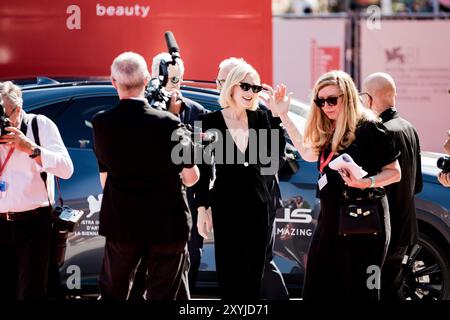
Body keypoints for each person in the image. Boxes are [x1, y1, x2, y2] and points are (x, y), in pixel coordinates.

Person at [267, 70, 401, 300]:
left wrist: (365, 182)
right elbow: (308, 153)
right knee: (318, 289)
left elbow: (394, 173)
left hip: (364, 223)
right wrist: (284, 116)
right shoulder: (329, 129)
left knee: (358, 294)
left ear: (347, 97)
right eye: (320, 101)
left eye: (332, 100)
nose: (326, 106)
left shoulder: (369, 128)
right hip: (329, 221)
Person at [92, 52, 199, 300]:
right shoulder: (170, 123)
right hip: (167, 225)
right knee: (163, 295)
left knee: (113, 292)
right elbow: (191, 177)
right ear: (147, 78)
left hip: (122, 224)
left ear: (113, 82)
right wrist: (175, 119)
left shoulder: (102, 123)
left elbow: (105, 181)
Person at [196, 62, 284, 299]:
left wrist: (277, 117)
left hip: (258, 204)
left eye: (255, 88)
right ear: (231, 86)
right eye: (245, 85)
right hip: (225, 204)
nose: (251, 92)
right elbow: (202, 171)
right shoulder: (207, 121)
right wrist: (202, 209)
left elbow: (274, 161)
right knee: (229, 273)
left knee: (254, 276)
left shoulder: (262, 118)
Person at [127, 52, 209, 300]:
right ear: (154, 77)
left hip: (183, 203)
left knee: (185, 266)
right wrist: (170, 118)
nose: (176, 86)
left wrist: (204, 204)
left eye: (180, 80)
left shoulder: (195, 112)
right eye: (172, 79)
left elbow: (205, 163)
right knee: (139, 271)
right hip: (145, 204)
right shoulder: (140, 110)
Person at [0, 81, 74, 300]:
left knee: (31, 292)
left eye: (5, 115)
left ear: (19, 109)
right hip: (0, 224)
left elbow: (66, 169)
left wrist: (31, 148)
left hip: (33, 224)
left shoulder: (39, 126)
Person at [362, 72, 423, 300]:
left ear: (369, 99)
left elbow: (374, 183)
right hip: (406, 225)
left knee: (379, 291)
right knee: (393, 288)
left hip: (385, 226)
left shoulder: (380, 131)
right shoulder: (409, 127)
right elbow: (416, 185)